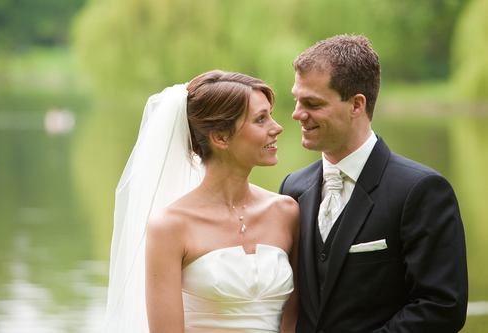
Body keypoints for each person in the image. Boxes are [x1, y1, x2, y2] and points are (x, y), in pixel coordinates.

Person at [279, 34, 468, 333]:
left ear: (356, 105)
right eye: (297, 100)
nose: (297, 113)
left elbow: (441, 307)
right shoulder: (293, 188)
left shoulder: (421, 190)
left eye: (312, 103)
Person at [103, 70, 300, 333]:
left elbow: (295, 322)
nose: (277, 127)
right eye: (260, 119)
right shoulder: (170, 227)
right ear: (220, 138)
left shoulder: (287, 212)